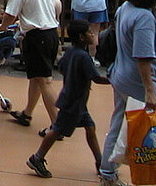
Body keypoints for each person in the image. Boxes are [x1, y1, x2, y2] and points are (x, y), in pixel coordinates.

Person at [98, 0, 156, 186]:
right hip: (139, 82)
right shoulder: (144, 17)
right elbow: (143, 56)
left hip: (121, 75)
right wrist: (150, 90)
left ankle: (107, 171)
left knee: (118, 123)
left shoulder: (125, 8)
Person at [26, 19, 110, 179]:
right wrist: (115, 81)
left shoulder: (70, 53)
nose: (92, 35)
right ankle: (37, 158)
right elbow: (96, 78)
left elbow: (62, 68)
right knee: (56, 130)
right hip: (74, 102)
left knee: (90, 128)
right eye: (89, 32)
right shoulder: (84, 57)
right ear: (82, 37)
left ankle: (100, 162)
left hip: (74, 100)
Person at [0, 0, 60, 132]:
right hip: (51, 32)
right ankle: (27, 113)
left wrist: (2, 27)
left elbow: (10, 13)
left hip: (37, 35)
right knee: (36, 77)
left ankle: (57, 125)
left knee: (44, 80)